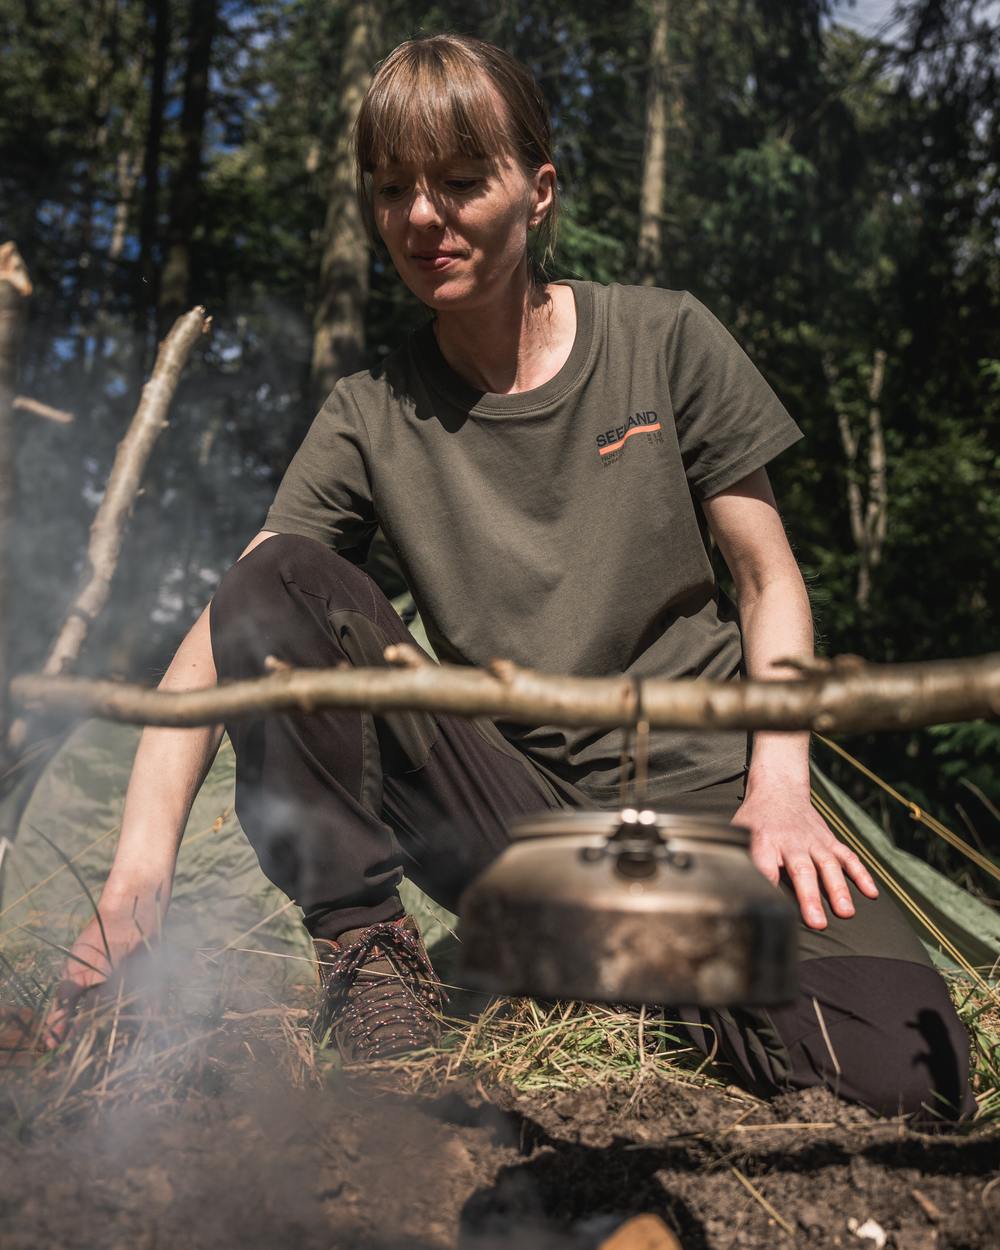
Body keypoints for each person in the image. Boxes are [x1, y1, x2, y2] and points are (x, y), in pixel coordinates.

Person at [50, 34, 973, 1118]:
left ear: (537, 191)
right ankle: (374, 958)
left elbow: (768, 579)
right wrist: (138, 872)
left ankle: (598, 971)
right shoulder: (370, 411)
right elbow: (230, 627)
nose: (421, 218)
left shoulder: (665, 340)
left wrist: (779, 785)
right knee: (279, 578)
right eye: (392, 189)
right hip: (511, 826)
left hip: (712, 807)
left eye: (457, 181)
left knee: (907, 1079)